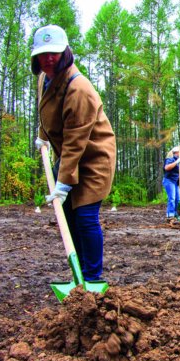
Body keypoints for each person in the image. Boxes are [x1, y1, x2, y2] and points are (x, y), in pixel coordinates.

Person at [32, 25, 116, 282]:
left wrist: (63, 182)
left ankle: (92, 279)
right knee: (67, 217)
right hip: (69, 156)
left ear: (65, 52)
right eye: (43, 54)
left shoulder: (78, 87)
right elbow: (49, 113)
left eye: (54, 53)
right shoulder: (45, 78)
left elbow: (76, 140)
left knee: (85, 217)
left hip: (93, 158)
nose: (49, 59)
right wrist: (43, 137)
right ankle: (78, 278)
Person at [163, 146, 180, 223]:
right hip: (169, 181)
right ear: (175, 153)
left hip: (175, 182)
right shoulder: (170, 159)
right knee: (172, 198)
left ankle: (176, 215)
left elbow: (176, 173)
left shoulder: (178, 162)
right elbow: (167, 168)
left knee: (178, 199)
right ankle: (170, 215)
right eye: (179, 153)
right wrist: (176, 162)